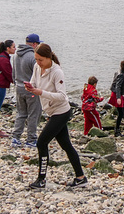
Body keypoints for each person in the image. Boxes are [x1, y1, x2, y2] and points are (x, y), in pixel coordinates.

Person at [24, 43, 87, 190]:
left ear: (48, 58)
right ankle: (81, 178)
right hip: (51, 112)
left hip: (62, 112)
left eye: (40, 60)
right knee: (66, 145)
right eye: (36, 59)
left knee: (41, 142)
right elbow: (34, 83)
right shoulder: (37, 67)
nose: (38, 63)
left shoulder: (57, 72)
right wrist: (30, 87)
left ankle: (41, 179)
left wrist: (40, 92)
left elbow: (62, 96)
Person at [11, 33, 42, 147]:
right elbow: (38, 75)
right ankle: (31, 139)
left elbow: (13, 73)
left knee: (21, 113)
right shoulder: (33, 57)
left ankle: (16, 137)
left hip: (19, 87)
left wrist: (16, 83)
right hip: (31, 89)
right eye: (38, 44)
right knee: (33, 114)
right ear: (34, 44)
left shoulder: (16, 55)